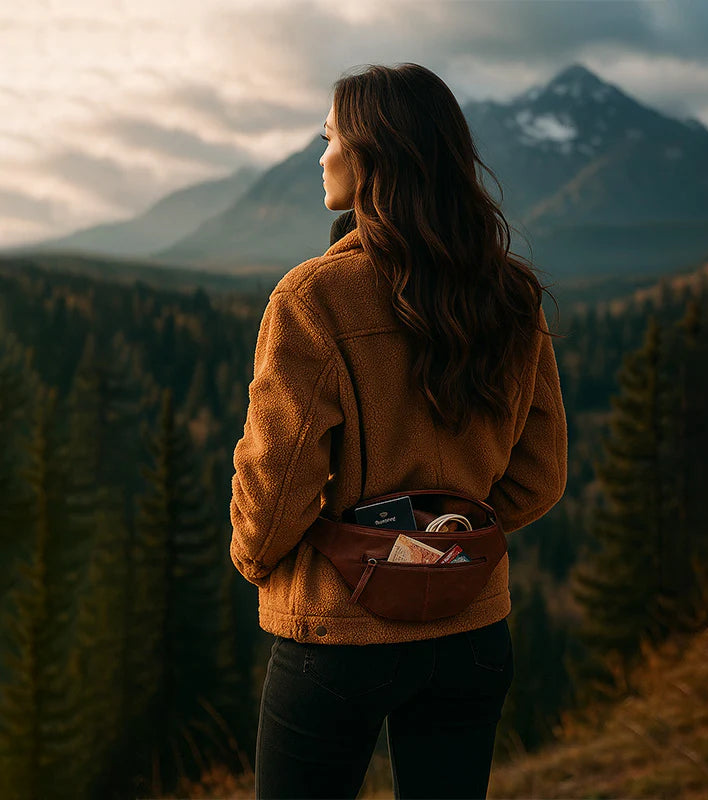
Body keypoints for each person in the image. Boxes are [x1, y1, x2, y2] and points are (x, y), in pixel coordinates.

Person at [229, 62, 569, 800]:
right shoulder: (512, 295)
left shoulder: (312, 299)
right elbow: (539, 475)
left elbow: (275, 489)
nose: (319, 155)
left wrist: (259, 564)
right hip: (473, 629)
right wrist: (443, 546)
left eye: (330, 139)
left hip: (335, 633)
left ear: (372, 155)